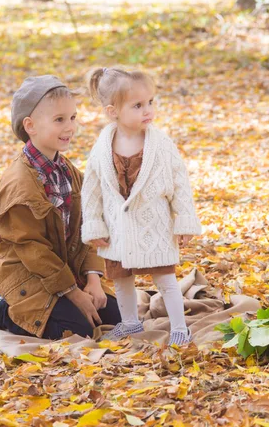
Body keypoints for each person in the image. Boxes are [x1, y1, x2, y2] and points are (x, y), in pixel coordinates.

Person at [0, 75, 121, 339]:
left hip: (65, 272)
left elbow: (90, 223)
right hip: (30, 277)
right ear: (30, 126)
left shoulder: (67, 171)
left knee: (117, 319)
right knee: (75, 331)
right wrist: (74, 294)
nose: (69, 127)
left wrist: (93, 279)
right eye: (59, 120)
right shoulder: (19, 184)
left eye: (73, 118)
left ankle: (69, 301)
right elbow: (31, 249)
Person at [81, 67, 202, 344]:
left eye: (151, 102)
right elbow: (92, 189)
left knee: (166, 279)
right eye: (137, 105)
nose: (148, 110)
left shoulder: (160, 144)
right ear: (113, 111)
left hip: (153, 224)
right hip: (117, 228)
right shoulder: (102, 145)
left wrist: (184, 219)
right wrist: (94, 224)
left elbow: (179, 182)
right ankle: (131, 323)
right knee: (121, 279)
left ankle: (179, 327)